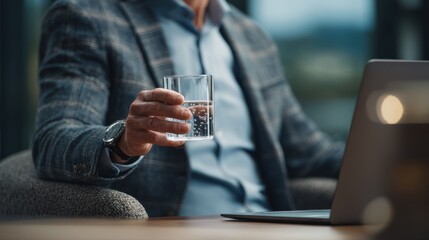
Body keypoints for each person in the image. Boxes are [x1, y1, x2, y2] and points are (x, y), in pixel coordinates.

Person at [33, 0, 344, 217]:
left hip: (268, 226)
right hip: (171, 225)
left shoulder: (253, 37)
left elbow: (309, 153)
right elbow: (54, 139)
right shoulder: (87, 18)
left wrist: (385, 153)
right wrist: (124, 141)